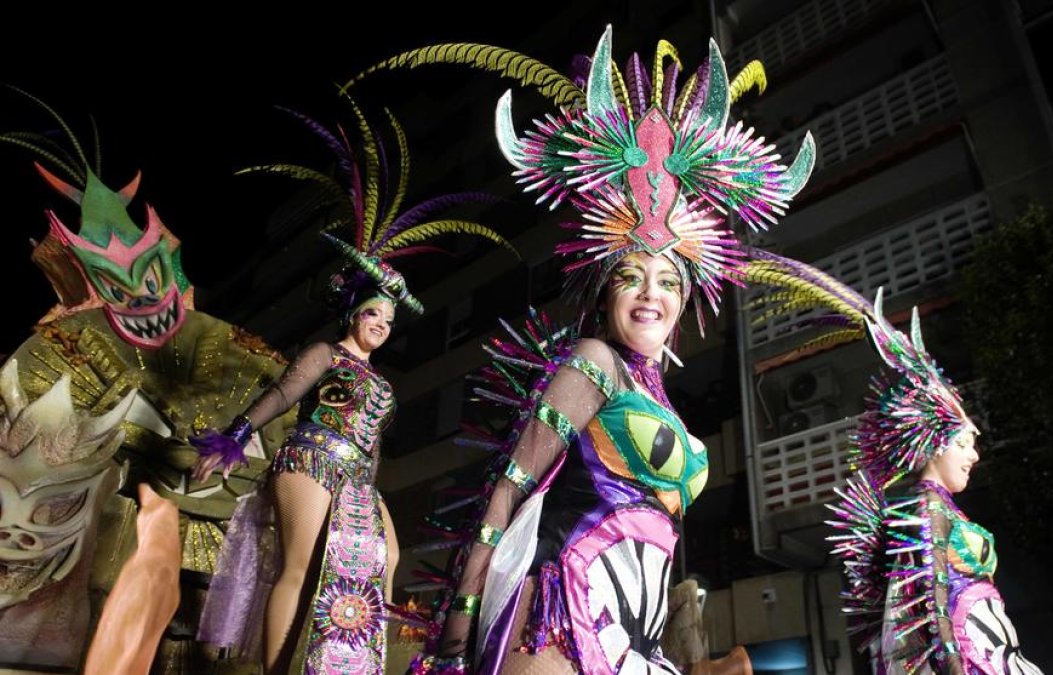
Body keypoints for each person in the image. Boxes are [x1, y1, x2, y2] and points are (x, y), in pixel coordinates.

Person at [372, 25, 820, 675]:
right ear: (604, 287)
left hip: (635, 636)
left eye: (669, 281)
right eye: (631, 275)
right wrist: (457, 630)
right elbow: (507, 491)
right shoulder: (594, 360)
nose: (650, 293)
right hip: (563, 617)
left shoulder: (657, 393)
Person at [188, 99, 513, 675]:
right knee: (300, 565)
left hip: (359, 479)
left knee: (385, 556)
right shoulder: (324, 353)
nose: (381, 328)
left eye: (388, 322)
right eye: (373, 317)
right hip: (311, 459)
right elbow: (286, 394)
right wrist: (236, 436)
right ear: (353, 315)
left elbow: (377, 443)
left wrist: (371, 484)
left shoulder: (382, 382)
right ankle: (276, 669)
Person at [826, 290, 1044, 674]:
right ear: (933, 446)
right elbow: (931, 602)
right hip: (972, 655)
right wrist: (954, 665)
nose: (974, 455)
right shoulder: (928, 509)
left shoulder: (939, 506)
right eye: (963, 443)